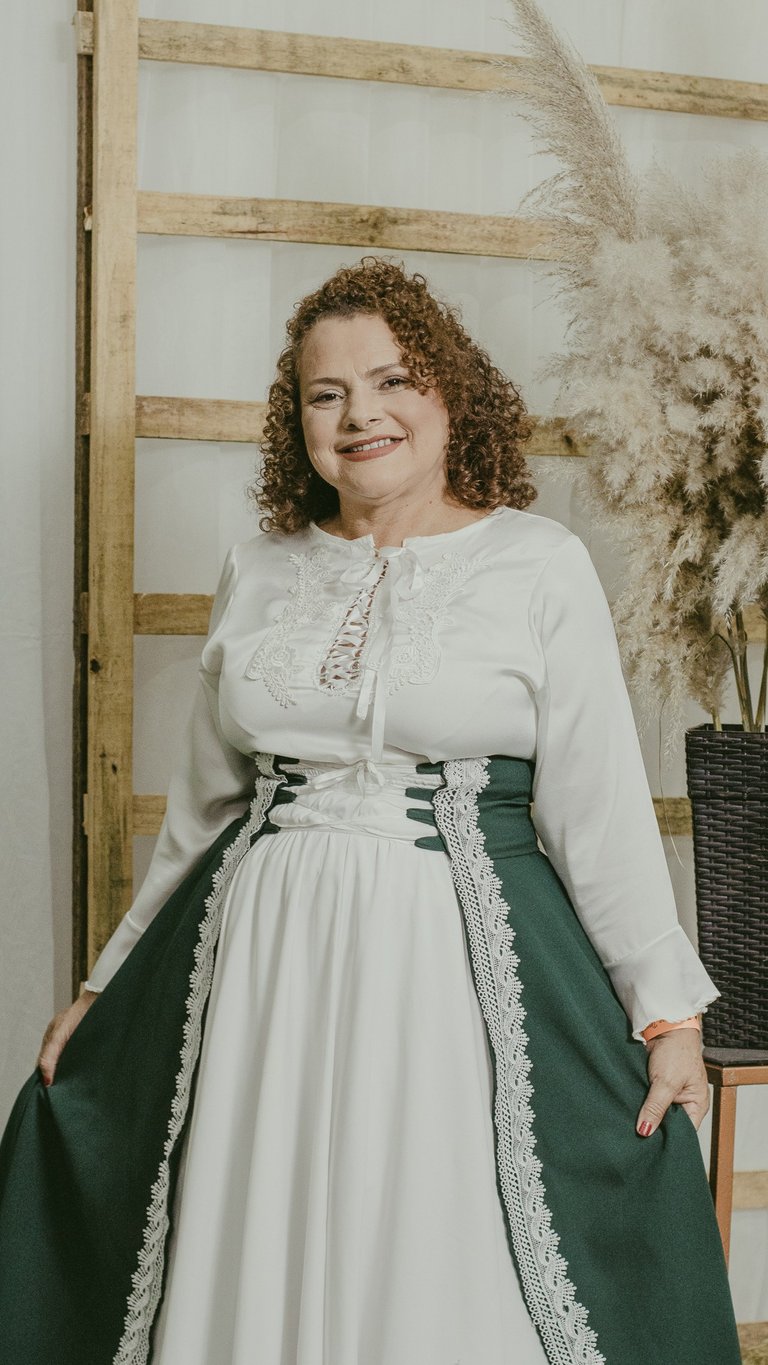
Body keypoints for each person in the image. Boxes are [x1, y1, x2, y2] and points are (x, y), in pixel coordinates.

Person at [0, 257, 741, 1365]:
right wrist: (106, 985)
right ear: (295, 420)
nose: (360, 415)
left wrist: (668, 1015)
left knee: (429, 1239)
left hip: (453, 971)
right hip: (263, 967)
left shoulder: (538, 564)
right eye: (327, 393)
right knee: (254, 1226)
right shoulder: (259, 567)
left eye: (392, 381)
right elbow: (203, 812)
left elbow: (597, 810)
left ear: (451, 395)